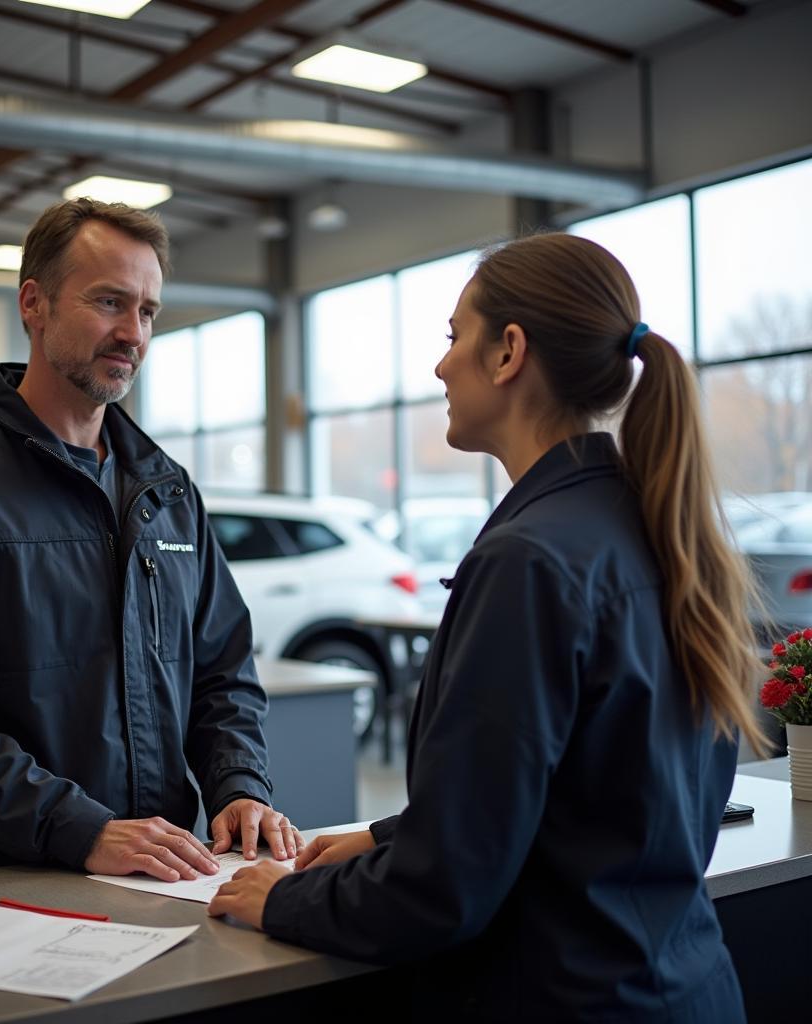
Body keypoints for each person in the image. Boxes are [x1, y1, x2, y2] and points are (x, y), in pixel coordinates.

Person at [208, 232, 763, 1021]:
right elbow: (582, 792)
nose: (440, 367)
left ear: (508, 352)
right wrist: (388, 834)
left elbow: (445, 892)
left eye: (453, 338)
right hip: (683, 987)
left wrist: (285, 898)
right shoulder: (655, 528)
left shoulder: (529, 561)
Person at [0, 198, 300, 880]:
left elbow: (223, 671)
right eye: (109, 302)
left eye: (148, 311)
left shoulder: (168, 492)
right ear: (33, 304)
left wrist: (238, 784)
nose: (134, 333)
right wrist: (79, 829)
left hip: (163, 875)